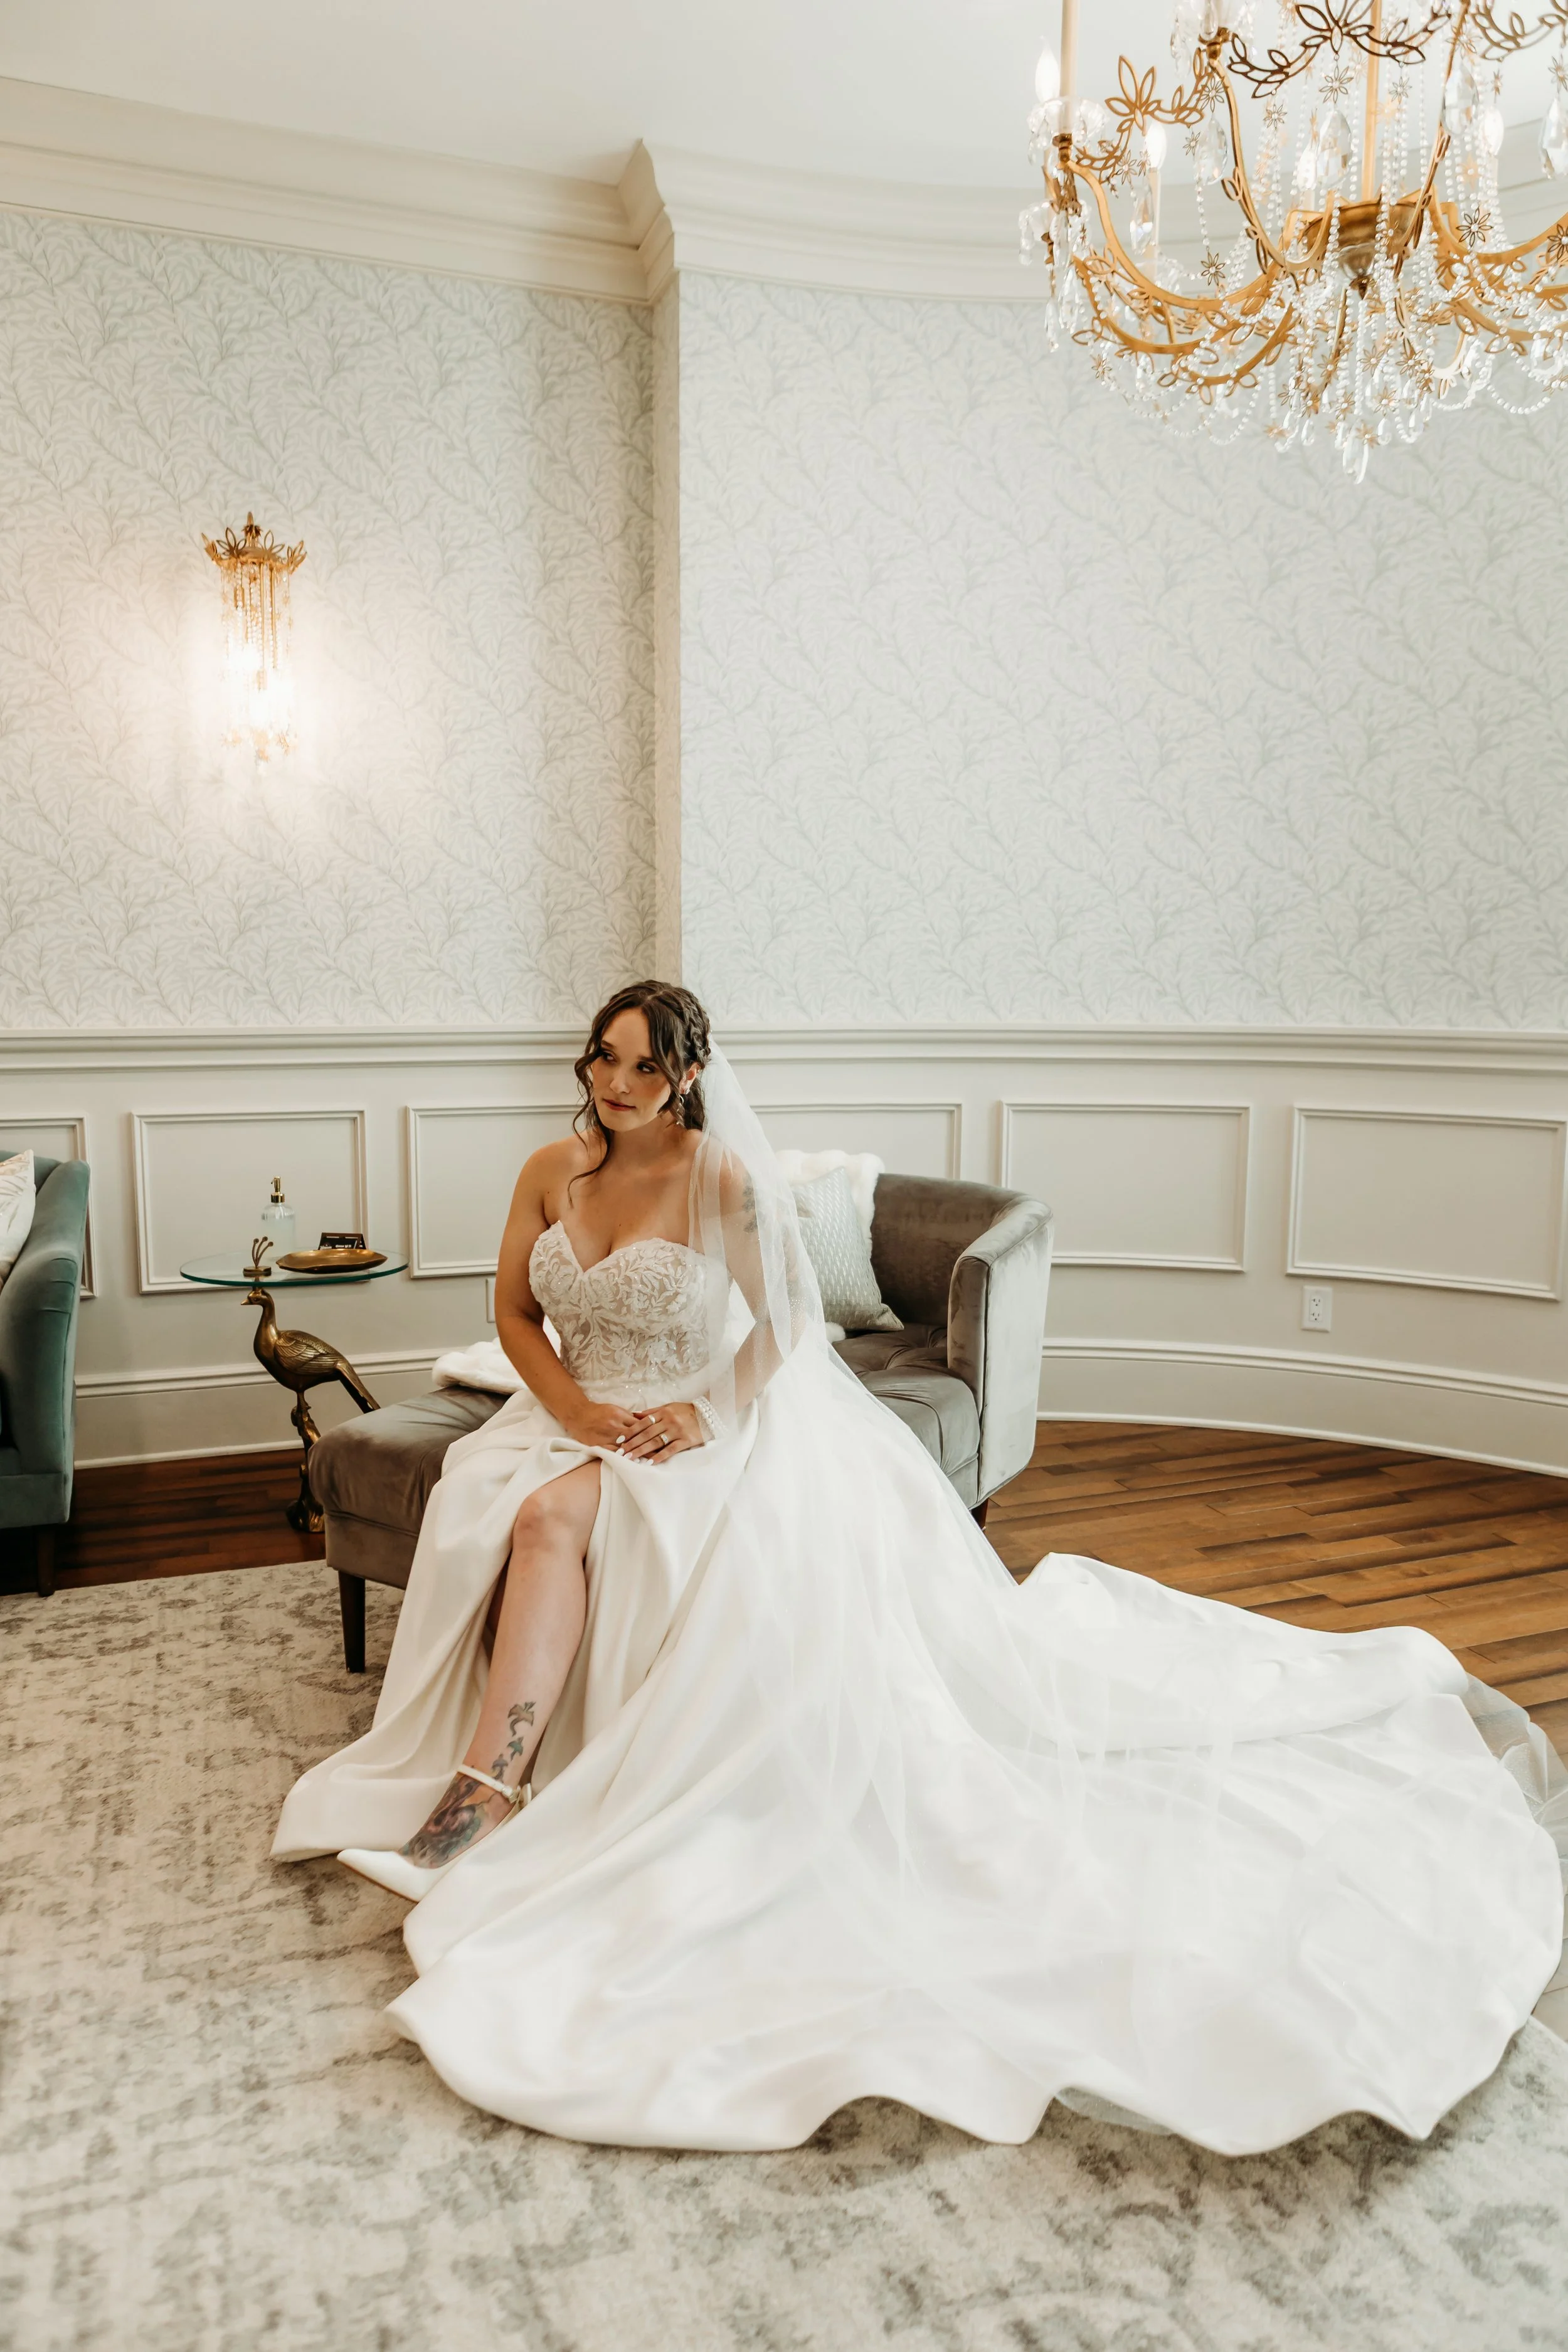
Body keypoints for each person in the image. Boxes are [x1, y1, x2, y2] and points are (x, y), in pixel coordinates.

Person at [274, 980, 1567, 2156]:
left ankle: (490, 1785)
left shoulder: (719, 1179)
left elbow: (783, 1323)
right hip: (565, 1412)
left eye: (643, 1066)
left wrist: (697, 1415)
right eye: (602, 1059)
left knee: (552, 1524)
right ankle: (491, 1770)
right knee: (516, 1505)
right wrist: (567, 1406)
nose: (615, 1083)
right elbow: (513, 1312)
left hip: (687, 1423)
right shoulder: (548, 1168)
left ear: (686, 1077)